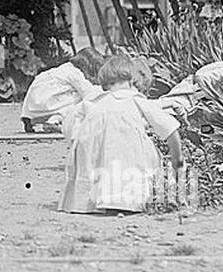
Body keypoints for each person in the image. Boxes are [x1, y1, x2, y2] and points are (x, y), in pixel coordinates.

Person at [58, 52, 182, 215]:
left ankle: (84, 201)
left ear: (104, 83)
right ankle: (126, 199)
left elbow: (69, 121)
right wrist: (177, 159)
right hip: (125, 149)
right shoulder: (136, 100)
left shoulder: (93, 102)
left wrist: (76, 141)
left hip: (91, 151)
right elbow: (169, 129)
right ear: (132, 80)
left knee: (97, 152)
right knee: (136, 152)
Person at [20, 46, 104, 134]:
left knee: (75, 94)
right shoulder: (74, 73)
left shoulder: (62, 69)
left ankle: (35, 120)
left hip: (32, 108)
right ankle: (53, 121)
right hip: (45, 103)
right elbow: (89, 93)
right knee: (81, 98)